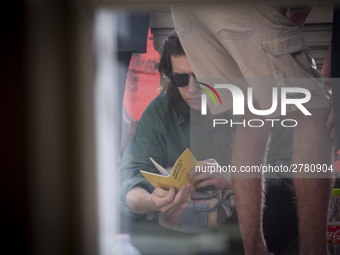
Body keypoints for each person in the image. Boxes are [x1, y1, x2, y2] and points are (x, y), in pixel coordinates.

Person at [170, 4, 333, 255]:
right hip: (242, 11)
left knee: (251, 113)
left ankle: (255, 251)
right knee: (313, 109)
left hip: (188, 12)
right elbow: (295, 17)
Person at [118, 33, 298, 253]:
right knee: (119, 214)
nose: (192, 89)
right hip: (181, 217)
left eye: (202, 77)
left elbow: (292, 169)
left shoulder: (259, 103)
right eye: (181, 79)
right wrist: (151, 201)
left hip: (242, 215)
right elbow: (128, 178)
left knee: (285, 203)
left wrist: (236, 178)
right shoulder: (160, 111)